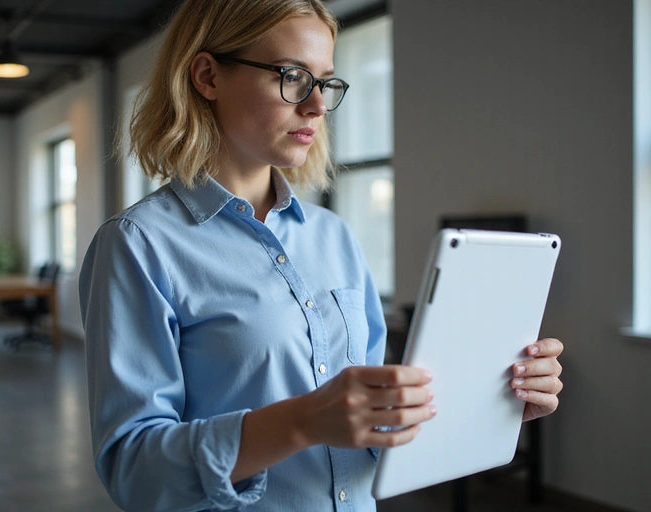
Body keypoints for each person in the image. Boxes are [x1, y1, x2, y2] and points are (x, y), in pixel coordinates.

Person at [78, 0, 565, 510]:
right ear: (207, 76)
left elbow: (374, 427)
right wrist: (301, 421)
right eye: (291, 76)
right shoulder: (138, 244)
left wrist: (489, 404)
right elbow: (134, 472)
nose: (315, 106)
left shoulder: (334, 236)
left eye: (325, 83)